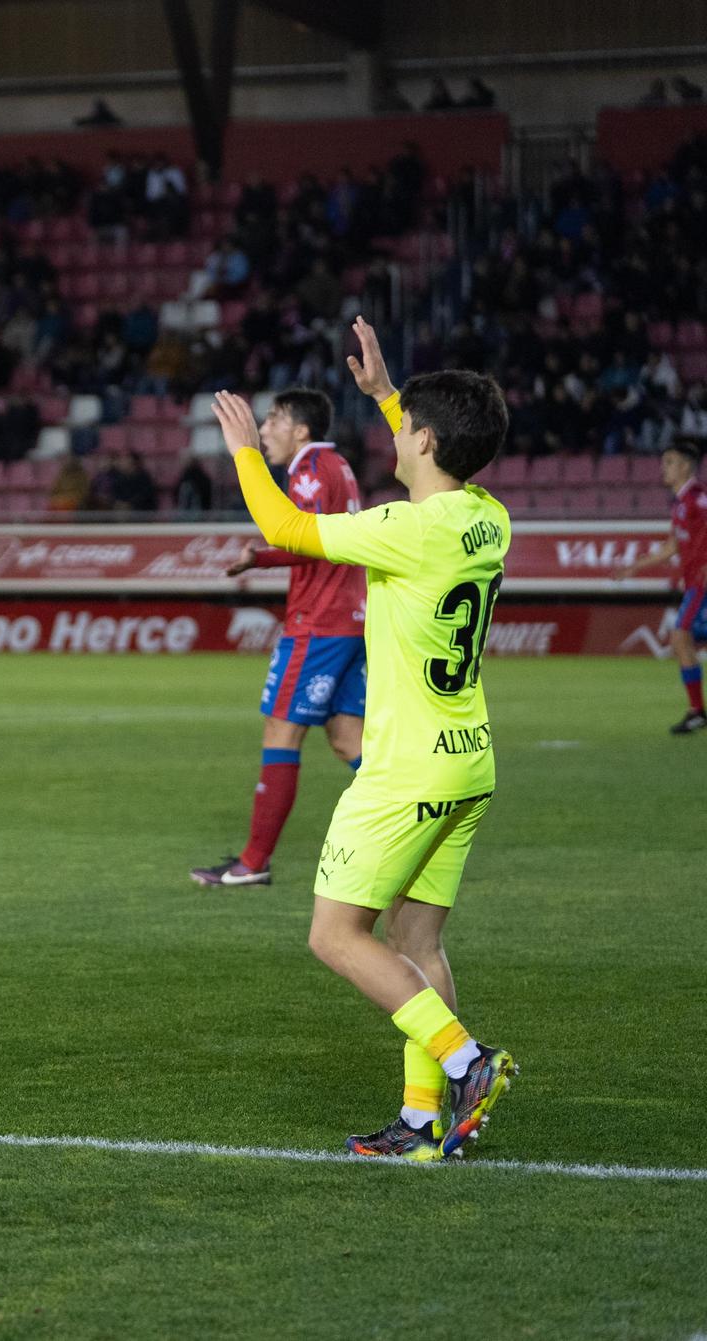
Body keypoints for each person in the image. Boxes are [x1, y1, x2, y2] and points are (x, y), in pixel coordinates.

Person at [213, 317, 517, 1162]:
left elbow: (286, 529)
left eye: (404, 424)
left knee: (334, 936)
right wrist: (387, 396)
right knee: (417, 944)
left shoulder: (402, 529)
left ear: (422, 440)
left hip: (406, 769)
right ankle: (426, 1124)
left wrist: (243, 448)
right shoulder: (487, 517)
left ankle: (468, 1061)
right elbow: (437, 456)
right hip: (469, 762)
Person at [193, 389, 366, 888]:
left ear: (302, 431)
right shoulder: (340, 466)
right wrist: (263, 556)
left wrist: (262, 556)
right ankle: (419, 815)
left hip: (318, 622)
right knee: (346, 738)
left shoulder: (310, 469)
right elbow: (321, 536)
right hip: (349, 617)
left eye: (273, 419)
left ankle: (253, 862)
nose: (264, 430)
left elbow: (302, 535)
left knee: (281, 732)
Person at [613, 440, 707, 733]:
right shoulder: (681, 503)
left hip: (702, 584)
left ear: (684, 466)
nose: (662, 468)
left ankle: (697, 711)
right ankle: (697, 711)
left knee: (680, 637)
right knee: (682, 639)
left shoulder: (698, 499)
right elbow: (672, 547)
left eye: (668, 462)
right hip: (695, 583)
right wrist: (634, 567)